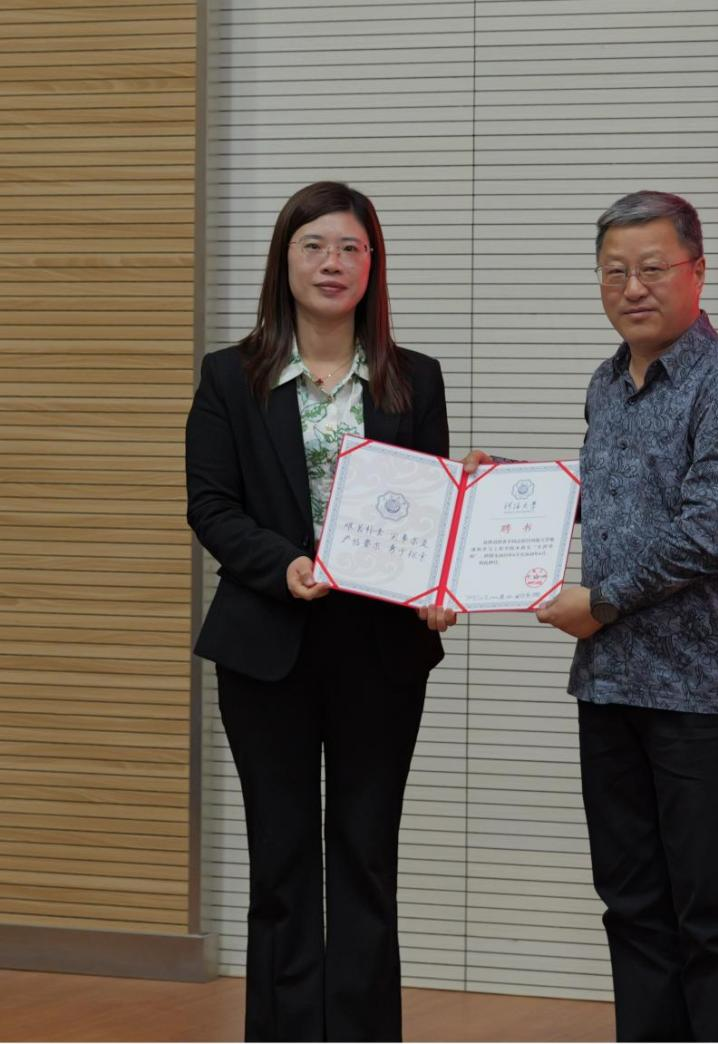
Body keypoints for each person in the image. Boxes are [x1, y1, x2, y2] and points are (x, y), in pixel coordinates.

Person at [425, 190, 718, 1041]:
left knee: (703, 908)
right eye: (613, 272)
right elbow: (607, 499)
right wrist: (504, 485)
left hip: (703, 690)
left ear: (696, 272)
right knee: (629, 901)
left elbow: (710, 532)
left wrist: (604, 600)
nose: (632, 288)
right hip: (611, 682)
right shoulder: (607, 382)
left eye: (651, 268)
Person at [186, 181, 448, 1042]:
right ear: (285, 260)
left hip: (382, 650)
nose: (331, 263)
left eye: (350, 248)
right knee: (282, 859)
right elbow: (210, 505)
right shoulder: (231, 376)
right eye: (314, 246)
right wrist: (283, 564)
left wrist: (439, 586)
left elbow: (431, 512)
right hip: (266, 648)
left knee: (367, 858)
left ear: (372, 266)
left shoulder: (414, 379)